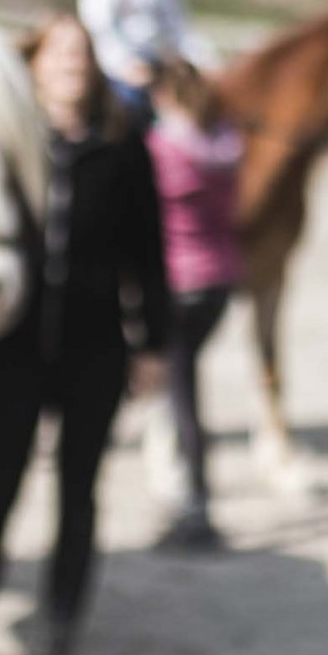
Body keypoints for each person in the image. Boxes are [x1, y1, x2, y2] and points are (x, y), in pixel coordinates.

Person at [0, 14, 171, 655]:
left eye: (80, 52)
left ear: (93, 66)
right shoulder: (4, 142)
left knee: (77, 496)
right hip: (13, 349)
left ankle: (61, 638)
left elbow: (147, 256)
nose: (69, 62)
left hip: (95, 350)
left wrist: (152, 343)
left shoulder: (123, 146)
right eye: (57, 52)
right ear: (33, 67)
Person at [145, 58, 245, 550]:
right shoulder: (225, 147)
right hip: (221, 279)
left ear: (165, 94)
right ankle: (184, 493)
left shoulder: (163, 148)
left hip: (179, 283)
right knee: (180, 388)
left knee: (180, 395)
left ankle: (195, 506)